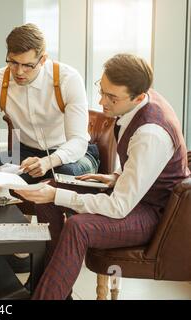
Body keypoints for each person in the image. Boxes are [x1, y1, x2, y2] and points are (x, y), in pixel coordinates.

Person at [15, 53, 190, 300]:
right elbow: (146, 166)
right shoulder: (140, 101)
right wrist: (117, 176)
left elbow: (119, 206)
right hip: (136, 196)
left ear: (139, 96)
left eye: (112, 97)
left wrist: (59, 194)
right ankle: (52, 288)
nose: (101, 101)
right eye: (102, 90)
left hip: (154, 214)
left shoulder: (151, 133)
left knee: (78, 226)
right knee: (49, 191)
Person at [0, 23, 99, 182]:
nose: (19, 72)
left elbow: (78, 141)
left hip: (73, 155)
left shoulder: (68, 79)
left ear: (43, 59)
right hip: (25, 155)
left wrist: (47, 162)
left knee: (64, 174)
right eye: (13, 62)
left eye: (28, 65)